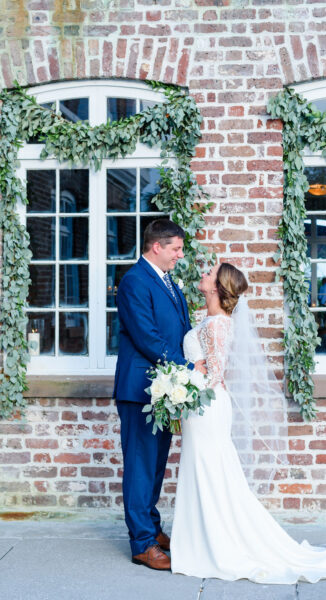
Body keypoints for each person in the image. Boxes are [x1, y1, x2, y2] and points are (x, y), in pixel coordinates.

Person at [171, 262, 326, 584]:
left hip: (206, 405)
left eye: (209, 273)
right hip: (200, 406)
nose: (202, 274)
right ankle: (201, 541)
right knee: (204, 470)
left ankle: (213, 545)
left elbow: (215, 373)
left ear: (218, 288)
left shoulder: (218, 325)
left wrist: (181, 385)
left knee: (210, 470)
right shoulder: (209, 320)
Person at [113, 219, 206, 571]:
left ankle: (151, 528)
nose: (180, 256)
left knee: (154, 465)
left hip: (165, 389)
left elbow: (179, 330)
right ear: (157, 247)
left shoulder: (166, 281)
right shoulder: (135, 281)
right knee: (139, 466)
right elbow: (147, 337)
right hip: (140, 390)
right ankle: (141, 544)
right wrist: (188, 367)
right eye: (176, 249)